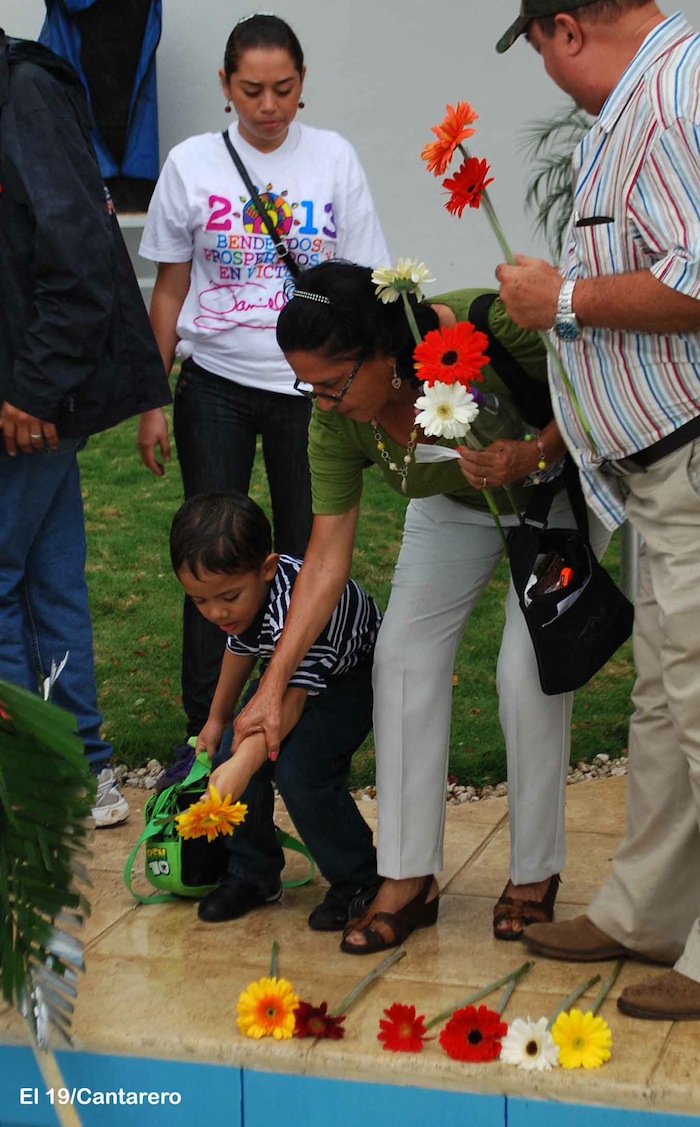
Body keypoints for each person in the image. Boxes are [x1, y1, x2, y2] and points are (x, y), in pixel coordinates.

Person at [230, 259, 610, 953]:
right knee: (402, 658)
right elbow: (325, 556)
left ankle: (534, 873)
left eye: (331, 381)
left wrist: (535, 450)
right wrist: (275, 678)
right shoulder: (337, 420)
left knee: (526, 674)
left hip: (555, 493)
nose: (319, 400)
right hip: (453, 506)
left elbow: (591, 390)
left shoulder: (483, 329)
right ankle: (407, 876)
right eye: (304, 384)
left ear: (383, 350)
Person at [495, 0, 700, 1020]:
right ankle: (646, 911)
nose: (545, 70)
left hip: (696, 455)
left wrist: (565, 298)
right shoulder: (654, 92)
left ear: (566, 29)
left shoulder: (669, 98)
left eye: (536, 49)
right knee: (665, 701)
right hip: (665, 471)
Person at [138, 13, 389, 745]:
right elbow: (168, 288)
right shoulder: (190, 164)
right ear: (225, 86)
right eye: (252, 90)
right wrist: (153, 397)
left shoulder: (335, 159)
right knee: (212, 563)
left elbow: (366, 282)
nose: (269, 106)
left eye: (284, 89)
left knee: (307, 558)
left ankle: (295, 721)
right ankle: (204, 730)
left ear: (303, 83)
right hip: (213, 383)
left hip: (311, 395)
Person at [0, 31, 171, 825]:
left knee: (10, 582)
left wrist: (34, 391)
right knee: (45, 577)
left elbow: (75, 256)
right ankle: (82, 770)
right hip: (27, 390)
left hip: (27, 398)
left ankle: (45, 773)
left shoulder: (23, 92)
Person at [169, 492, 382, 928]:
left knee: (301, 769)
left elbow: (291, 702)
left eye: (227, 597)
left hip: (350, 679)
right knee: (232, 748)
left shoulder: (298, 607)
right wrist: (217, 720)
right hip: (285, 679)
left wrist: (239, 769)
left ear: (267, 568)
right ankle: (253, 873)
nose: (216, 612)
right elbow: (240, 648)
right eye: (200, 602)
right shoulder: (246, 600)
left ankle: (359, 879)